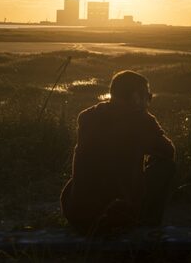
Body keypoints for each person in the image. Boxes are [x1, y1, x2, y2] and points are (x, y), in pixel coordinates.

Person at [61, 70, 175, 234]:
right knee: (166, 166)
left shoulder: (87, 116)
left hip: (77, 216)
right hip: (115, 217)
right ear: (136, 96)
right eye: (147, 96)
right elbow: (168, 151)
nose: (148, 101)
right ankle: (148, 220)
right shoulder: (142, 120)